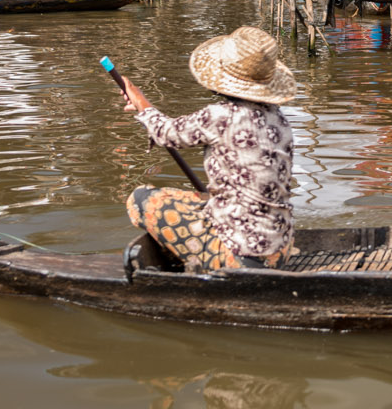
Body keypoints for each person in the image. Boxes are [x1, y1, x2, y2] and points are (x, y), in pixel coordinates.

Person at [116, 26, 297, 271]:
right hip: (281, 245)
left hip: (244, 254)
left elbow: (166, 133)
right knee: (199, 200)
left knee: (140, 200)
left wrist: (140, 102)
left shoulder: (220, 116)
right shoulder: (279, 118)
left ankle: (202, 262)